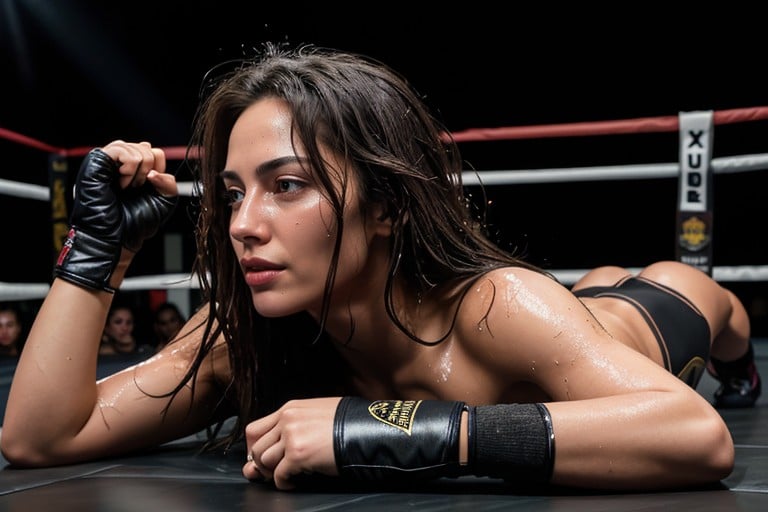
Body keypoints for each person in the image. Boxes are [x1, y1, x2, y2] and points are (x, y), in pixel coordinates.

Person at [1, 43, 762, 493]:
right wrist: (101, 253)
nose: (242, 225)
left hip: (640, 320)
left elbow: (697, 436)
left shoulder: (495, 305)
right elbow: (39, 439)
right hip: (561, 332)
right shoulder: (249, 339)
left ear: (388, 205)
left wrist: (391, 427)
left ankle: (740, 364)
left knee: (706, 306)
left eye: (287, 185)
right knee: (587, 297)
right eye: (234, 193)